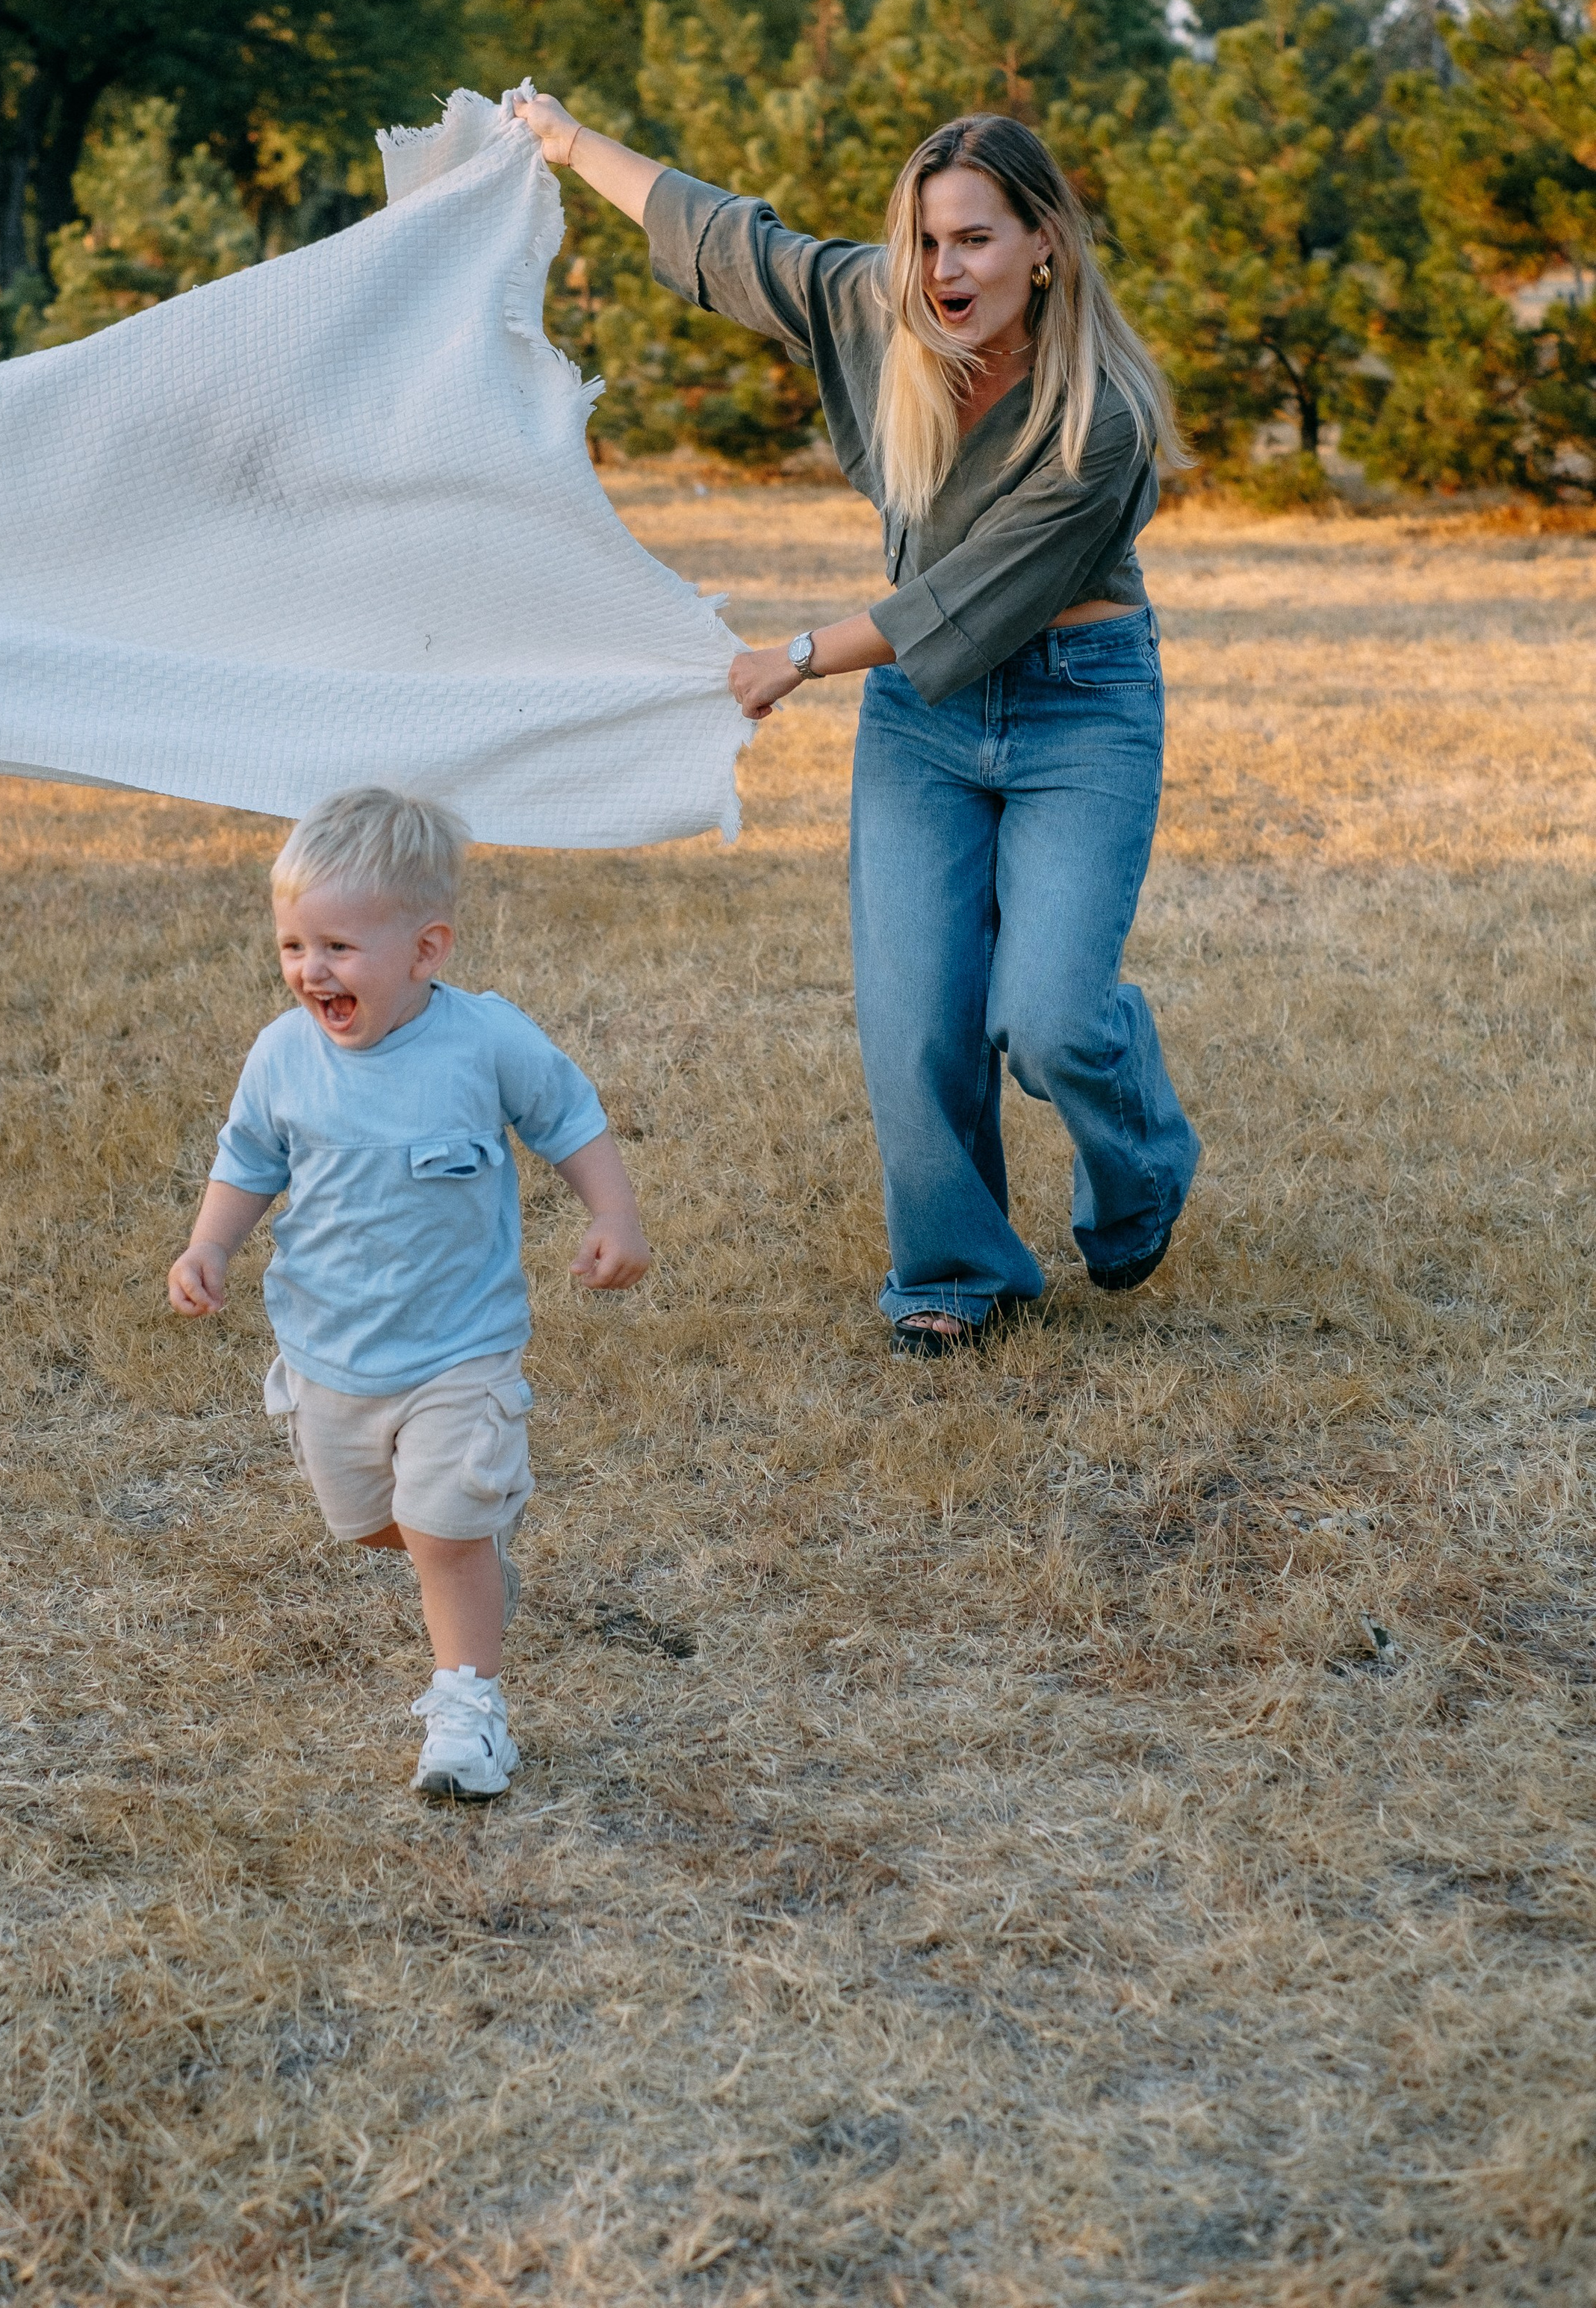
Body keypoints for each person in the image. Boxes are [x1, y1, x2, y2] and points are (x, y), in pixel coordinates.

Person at [510, 93, 1200, 1350]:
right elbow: (726, 238)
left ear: (1045, 242)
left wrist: (795, 657)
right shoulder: (881, 315)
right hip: (924, 723)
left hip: (1078, 710)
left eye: (978, 240)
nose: (947, 270)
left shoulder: (1102, 417)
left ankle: (1140, 1157)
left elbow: (969, 593)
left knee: (1048, 1019)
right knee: (916, 1015)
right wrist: (566, 142)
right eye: (930, 241)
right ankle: (952, 1275)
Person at [168, 784, 650, 1797]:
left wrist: (614, 1215)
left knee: (442, 1528)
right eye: (294, 947)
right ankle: (466, 1556)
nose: (313, 972)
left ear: (426, 951)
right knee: (372, 1524)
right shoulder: (281, 1057)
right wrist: (211, 1245)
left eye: (340, 948)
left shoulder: (483, 1043)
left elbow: (566, 1115)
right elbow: (249, 1157)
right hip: (330, 1352)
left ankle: (470, 1714)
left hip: (459, 1350)